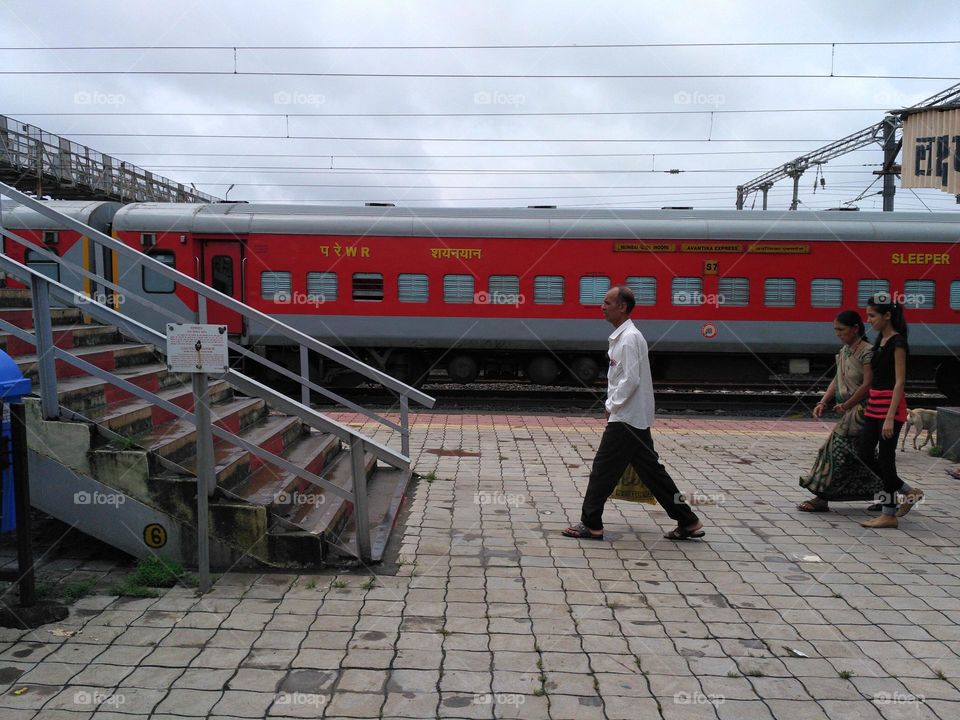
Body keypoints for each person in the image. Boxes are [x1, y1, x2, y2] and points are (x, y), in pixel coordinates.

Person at [562, 285, 704, 541]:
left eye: (607, 302)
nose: (602, 306)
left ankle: (591, 523)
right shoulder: (627, 336)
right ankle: (688, 520)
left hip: (626, 418)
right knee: (653, 473)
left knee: (603, 470)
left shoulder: (628, 338)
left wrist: (610, 405)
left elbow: (630, 380)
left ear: (622, 307)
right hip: (632, 416)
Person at [798, 310, 883, 512]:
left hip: (861, 411)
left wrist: (847, 405)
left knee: (831, 452)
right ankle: (890, 495)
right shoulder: (845, 351)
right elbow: (837, 379)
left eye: (841, 329)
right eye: (835, 329)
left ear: (855, 328)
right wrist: (823, 401)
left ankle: (821, 497)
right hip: (849, 411)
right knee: (862, 456)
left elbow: (868, 385)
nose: (837, 333)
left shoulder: (868, 352)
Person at [858, 293, 924, 529]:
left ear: (887, 316)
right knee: (864, 453)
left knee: (886, 459)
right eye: (868, 315)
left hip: (890, 409)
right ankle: (908, 491)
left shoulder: (898, 342)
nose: (869, 320)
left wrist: (889, 418)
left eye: (873, 316)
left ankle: (889, 513)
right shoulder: (879, 341)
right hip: (874, 405)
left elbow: (899, 382)